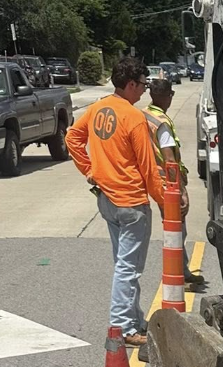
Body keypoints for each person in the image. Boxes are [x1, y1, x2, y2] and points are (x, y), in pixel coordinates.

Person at [67, 57, 165, 348]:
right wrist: (164, 202)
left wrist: (89, 170)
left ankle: (132, 319)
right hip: (131, 202)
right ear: (131, 84)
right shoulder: (133, 117)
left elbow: (72, 137)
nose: (145, 91)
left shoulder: (98, 108)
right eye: (143, 85)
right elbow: (148, 168)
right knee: (129, 268)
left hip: (107, 198)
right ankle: (123, 327)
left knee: (124, 264)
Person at [144, 80, 204, 286]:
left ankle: (181, 270)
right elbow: (170, 160)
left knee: (174, 229)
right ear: (166, 96)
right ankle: (178, 274)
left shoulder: (145, 115)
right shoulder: (162, 122)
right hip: (167, 184)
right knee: (176, 229)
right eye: (170, 95)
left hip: (153, 179)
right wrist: (181, 190)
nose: (171, 98)